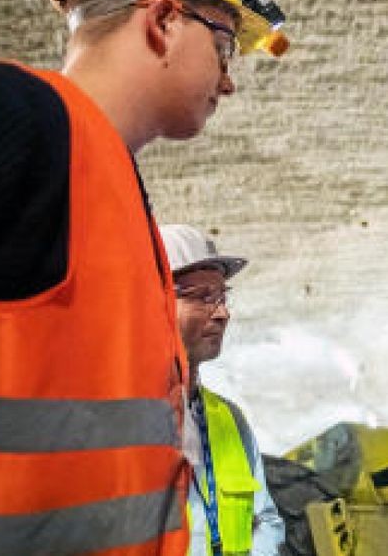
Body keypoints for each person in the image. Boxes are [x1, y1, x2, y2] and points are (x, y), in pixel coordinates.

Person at [0, 0, 288, 553]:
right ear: (163, 21)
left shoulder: (108, 185)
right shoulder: (12, 117)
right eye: (222, 46)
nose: (227, 79)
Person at [160, 224, 286, 556]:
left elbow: (265, 520)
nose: (223, 313)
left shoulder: (228, 419)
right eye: (203, 298)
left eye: (222, 297)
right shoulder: (118, 425)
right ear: (153, 302)